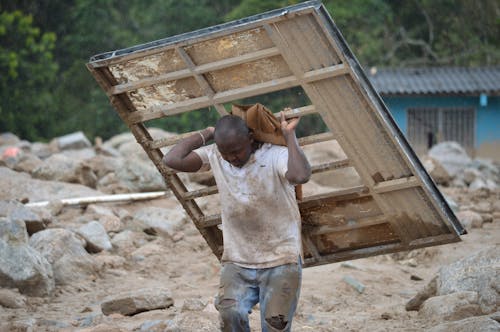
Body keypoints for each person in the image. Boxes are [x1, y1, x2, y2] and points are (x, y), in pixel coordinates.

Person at [163, 108, 311, 332]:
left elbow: (300, 176)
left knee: (275, 327)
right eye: (226, 152)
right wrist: (208, 133)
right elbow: (172, 159)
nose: (232, 158)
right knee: (230, 314)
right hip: (237, 260)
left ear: (250, 139)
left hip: (281, 258)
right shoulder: (215, 155)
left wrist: (289, 135)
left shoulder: (275, 155)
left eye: (237, 151)